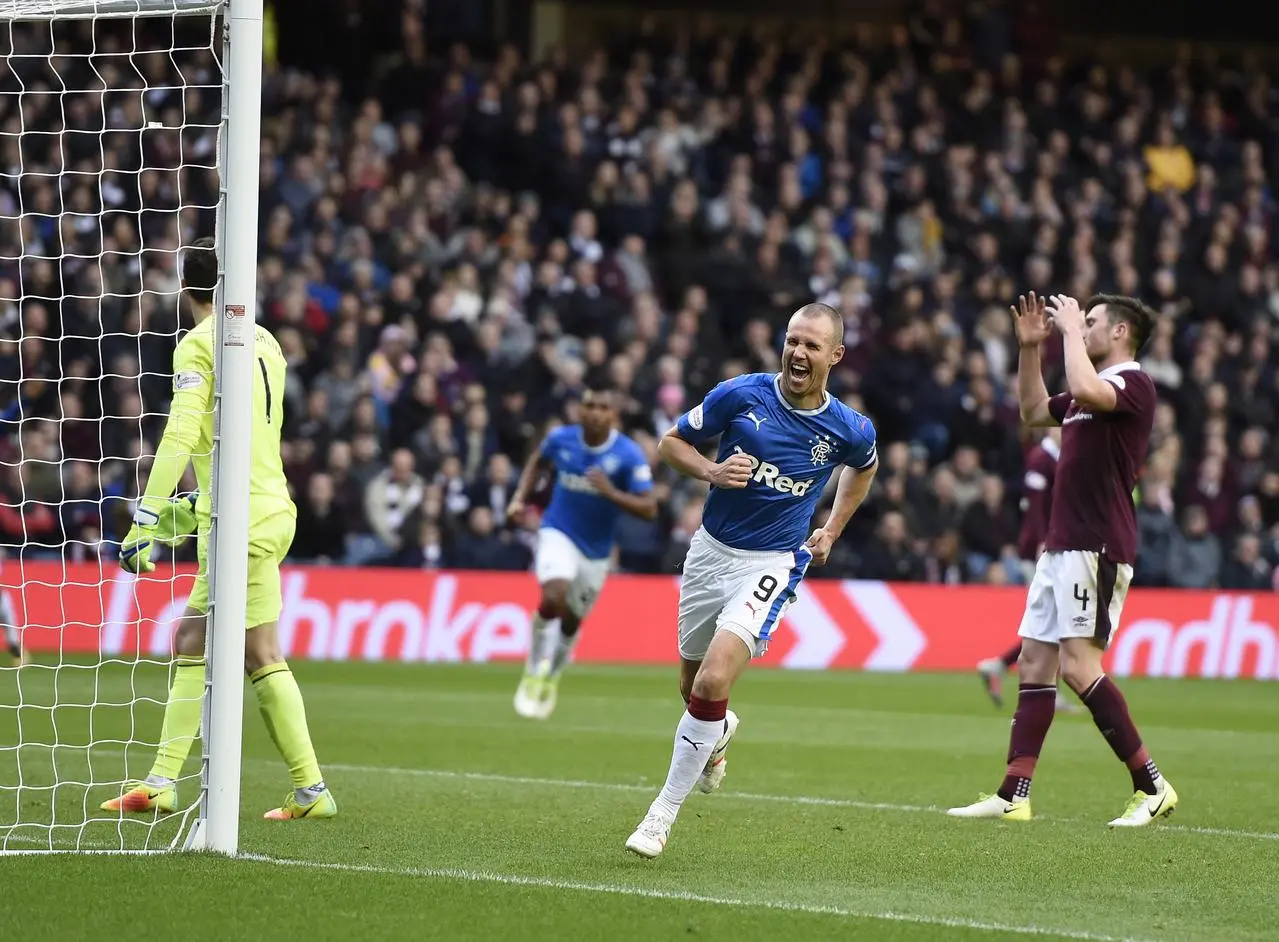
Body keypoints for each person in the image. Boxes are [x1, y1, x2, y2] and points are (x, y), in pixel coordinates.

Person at [625, 303, 879, 858]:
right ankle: (714, 740)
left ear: (834, 356)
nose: (798, 353)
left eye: (812, 345)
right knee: (693, 691)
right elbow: (671, 443)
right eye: (792, 341)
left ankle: (659, 816)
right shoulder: (741, 394)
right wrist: (711, 471)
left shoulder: (849, 429)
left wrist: (832, 528)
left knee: (714, 682)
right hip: (709, 554)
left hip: (771, 563)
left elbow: (865, 466)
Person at [103, 237, 335, 822]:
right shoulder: (267, 341)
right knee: (258, 651)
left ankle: (161, 783)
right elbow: (246, 440)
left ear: (185, 292)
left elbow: (182, 433)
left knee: (191, 640)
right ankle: (311, 792)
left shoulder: (199, 345)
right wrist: (195, 505)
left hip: (239, 521)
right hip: (269, 506)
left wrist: (147, 517)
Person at [948, 292, 1176, 827]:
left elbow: (1085, 387)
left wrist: (1069, 333)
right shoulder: (1085, 395)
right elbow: (1031, 410)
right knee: (1034, 663)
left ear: (1120, 332)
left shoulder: (1132, 385)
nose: (1082, 326)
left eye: (1092, 322)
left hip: (1097, 545)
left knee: (1078, 667)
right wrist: (1030, 350)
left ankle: (1153, 785)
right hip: (1062, 545)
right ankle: (1013, 793)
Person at [506, 382, 657, 720]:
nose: (595, 412)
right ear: (580, 410)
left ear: (614, 415)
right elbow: (537, 463)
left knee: (573, 619)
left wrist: (610, 492)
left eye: (603, 407)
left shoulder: (628, 455)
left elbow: (649, 508)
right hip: (558, 530)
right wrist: (520, 498)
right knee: (554, 594)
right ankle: (532, 667)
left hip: (596, 551)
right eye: (590, 406)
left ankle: (552, 673)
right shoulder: (561, 440)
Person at [976, 427, 1077, 713]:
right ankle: (1039, 687)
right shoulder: (1040, 459)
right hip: (1043, 551)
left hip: (1056, 548)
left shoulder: (1056, 457)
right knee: (1052, 622)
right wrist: (1041, 542)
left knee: (1051, 623)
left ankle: (999, 666)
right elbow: (1033, 509)